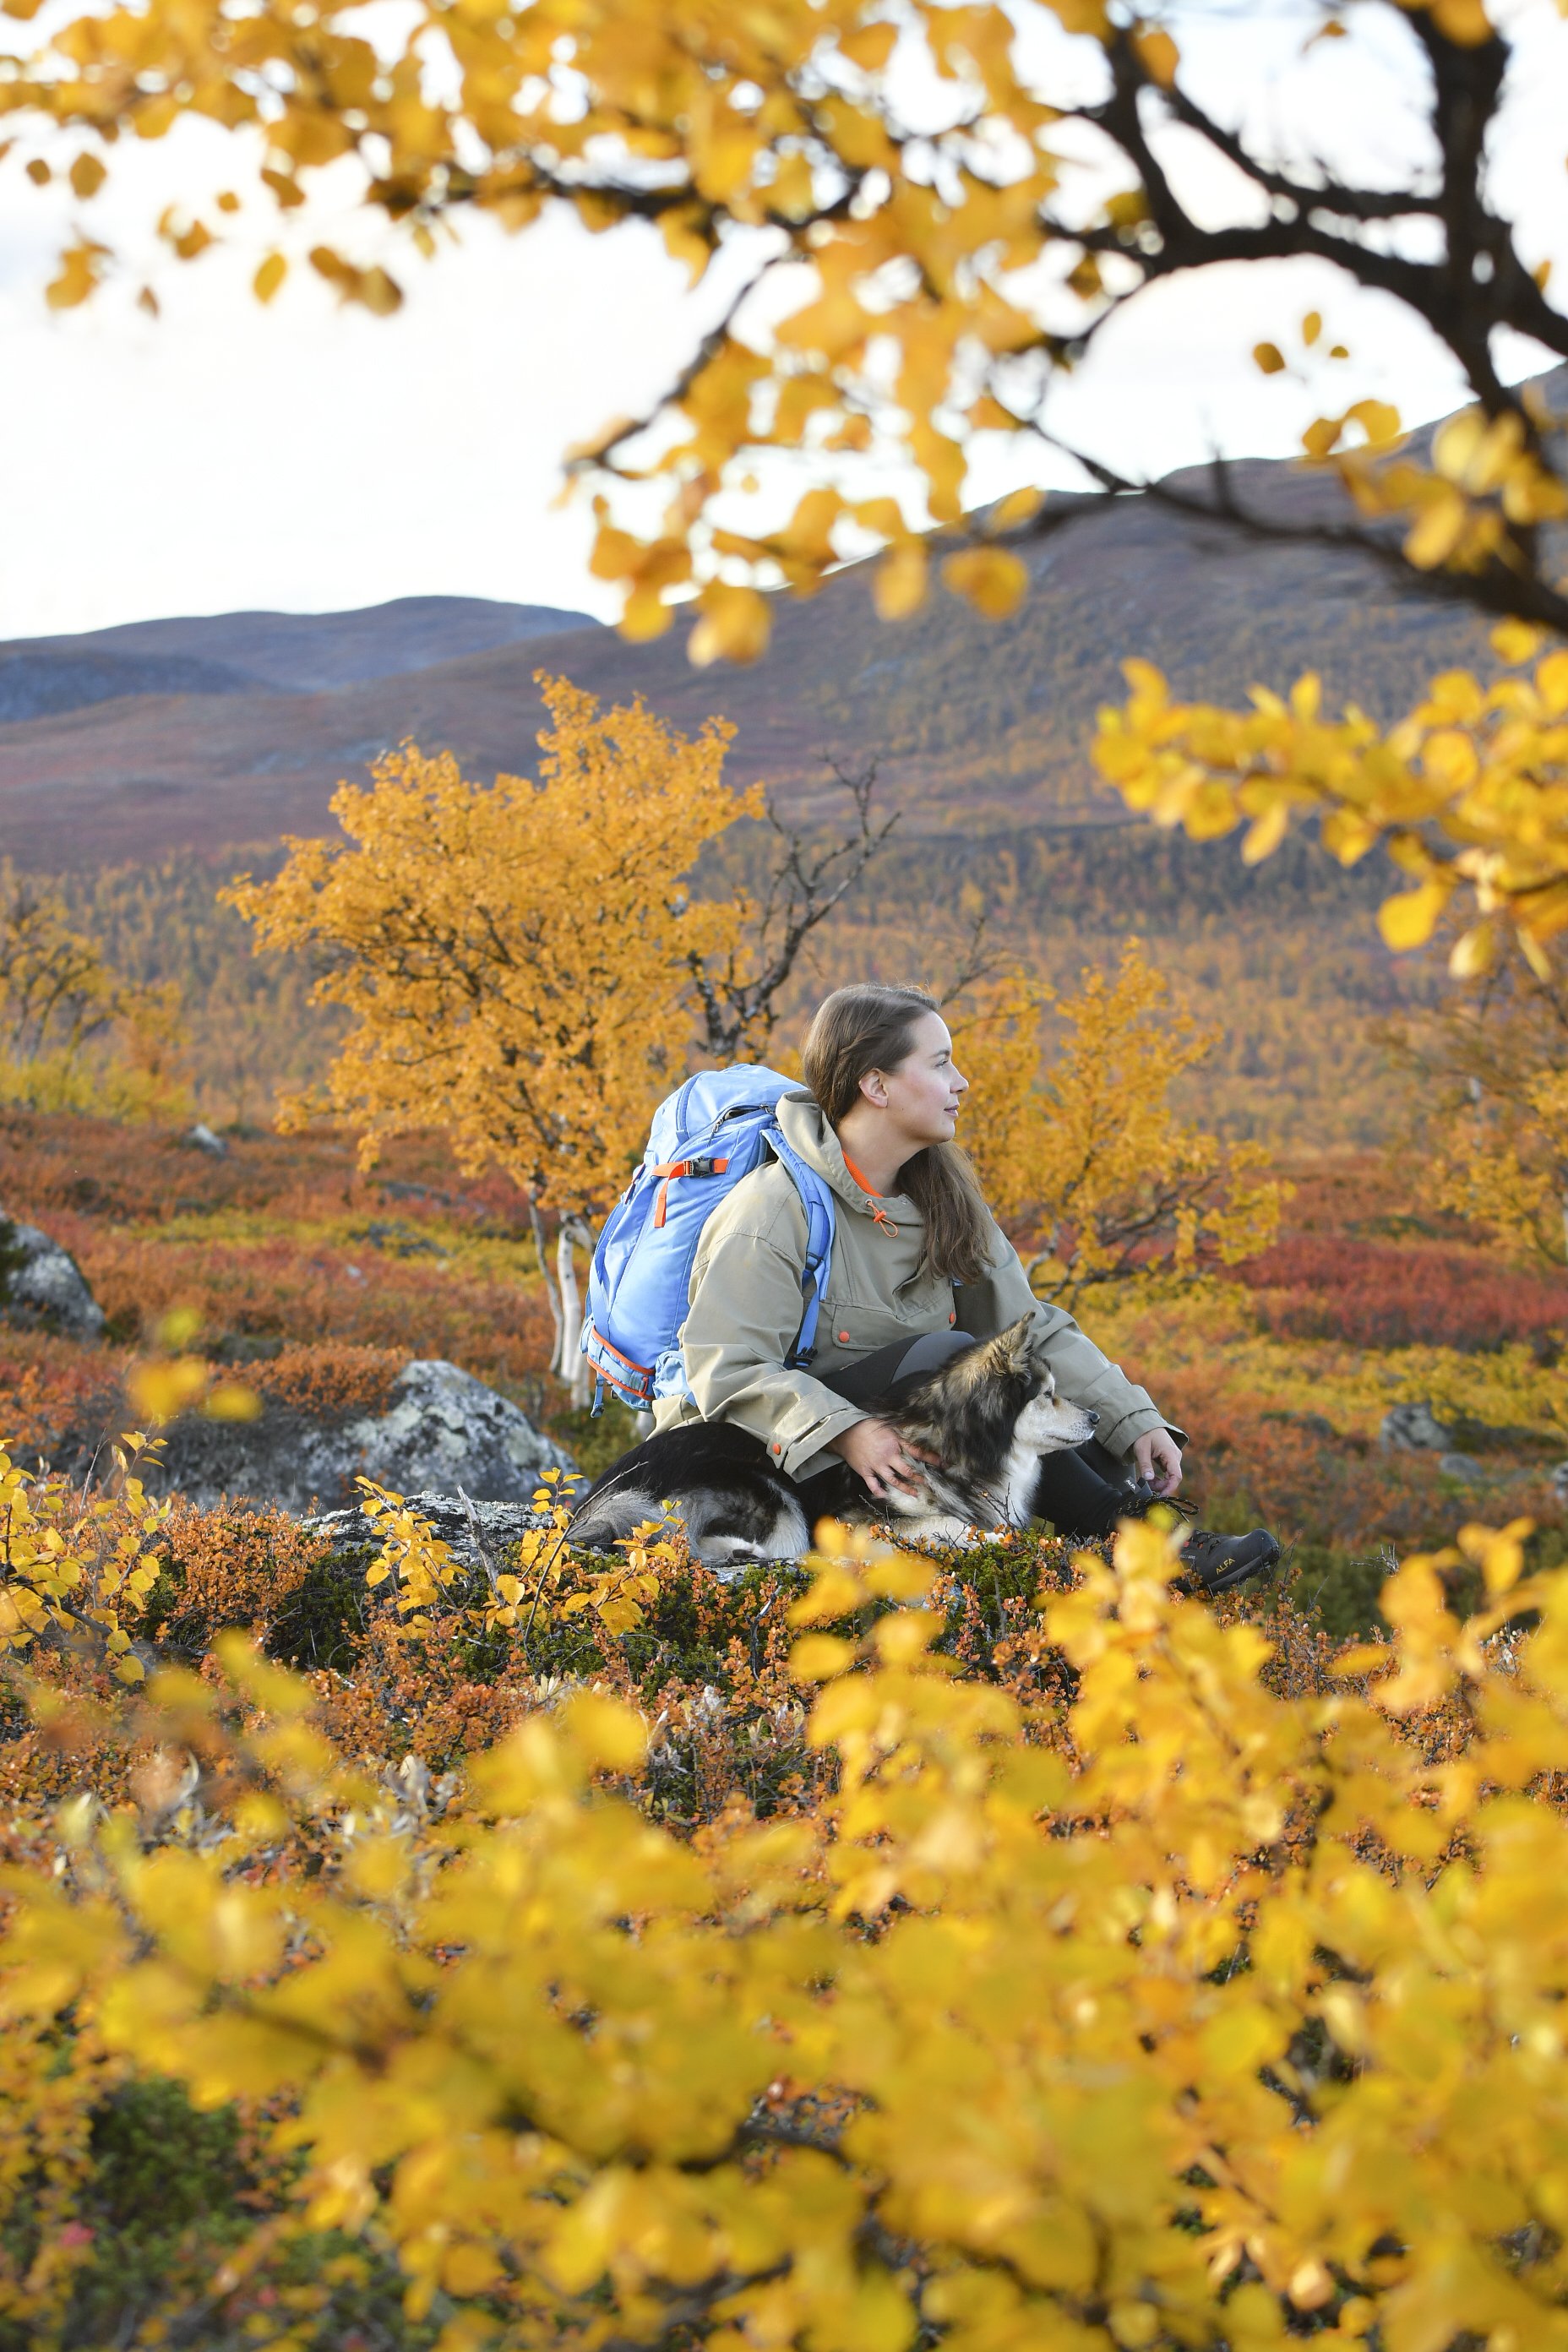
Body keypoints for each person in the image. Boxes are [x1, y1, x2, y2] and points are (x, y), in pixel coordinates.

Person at [651, 982, 1280, 1592]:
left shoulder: (943, 1199)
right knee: (950, 1360)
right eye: (941, 1063)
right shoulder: (772, 1211)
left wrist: (1133, 1420)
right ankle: (1131, 1539)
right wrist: (845, 1429)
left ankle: (1137, 1549)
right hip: (763, 1464)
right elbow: (727, 1369)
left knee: (1044, 1403)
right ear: (876, 1086)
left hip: (886, 1455)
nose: (962, 1083)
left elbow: (1027, 1328)